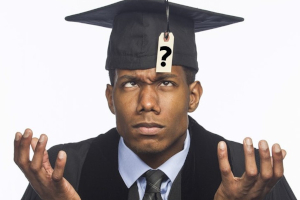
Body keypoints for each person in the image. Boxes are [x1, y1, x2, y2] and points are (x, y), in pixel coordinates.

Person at [14, 0, 296, 199]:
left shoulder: (251, 178)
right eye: (131, 83)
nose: (147, 102)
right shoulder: (60, 175)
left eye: (166, 83)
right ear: (111, 98)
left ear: (193, 96)